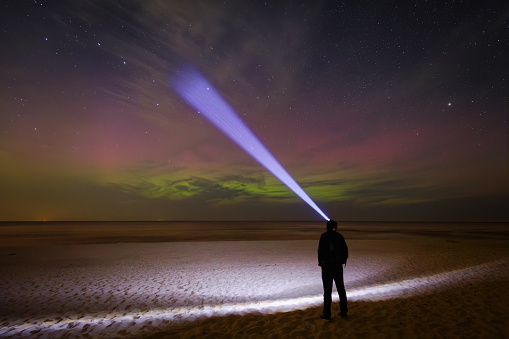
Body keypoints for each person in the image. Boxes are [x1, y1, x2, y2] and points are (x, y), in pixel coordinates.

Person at [318, 219, 348, 320]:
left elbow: (320, 251)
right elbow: (345, 250)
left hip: (327, 267)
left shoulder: (324, 236)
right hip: (337, 266)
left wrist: (320, 263)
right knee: (341, 289)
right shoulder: (339, 237)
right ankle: (343, 311)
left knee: (327, 291)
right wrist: (342, 261)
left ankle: (327, 314)